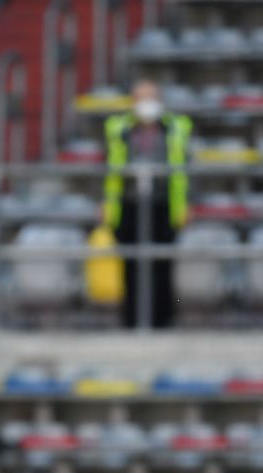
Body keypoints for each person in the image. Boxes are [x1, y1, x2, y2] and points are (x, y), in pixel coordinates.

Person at [103, 79, 191, 329]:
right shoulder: (118, 129)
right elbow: (108, 170)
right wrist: (107, 205)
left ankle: (164, 320)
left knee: (163, 265)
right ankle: (132, 320)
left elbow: (187, 168)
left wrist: (187, 205)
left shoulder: (175, 128)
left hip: (164, 204)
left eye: (150, 97)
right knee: (130, 265)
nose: (146, 104)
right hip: (129, 204)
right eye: (140, 98)